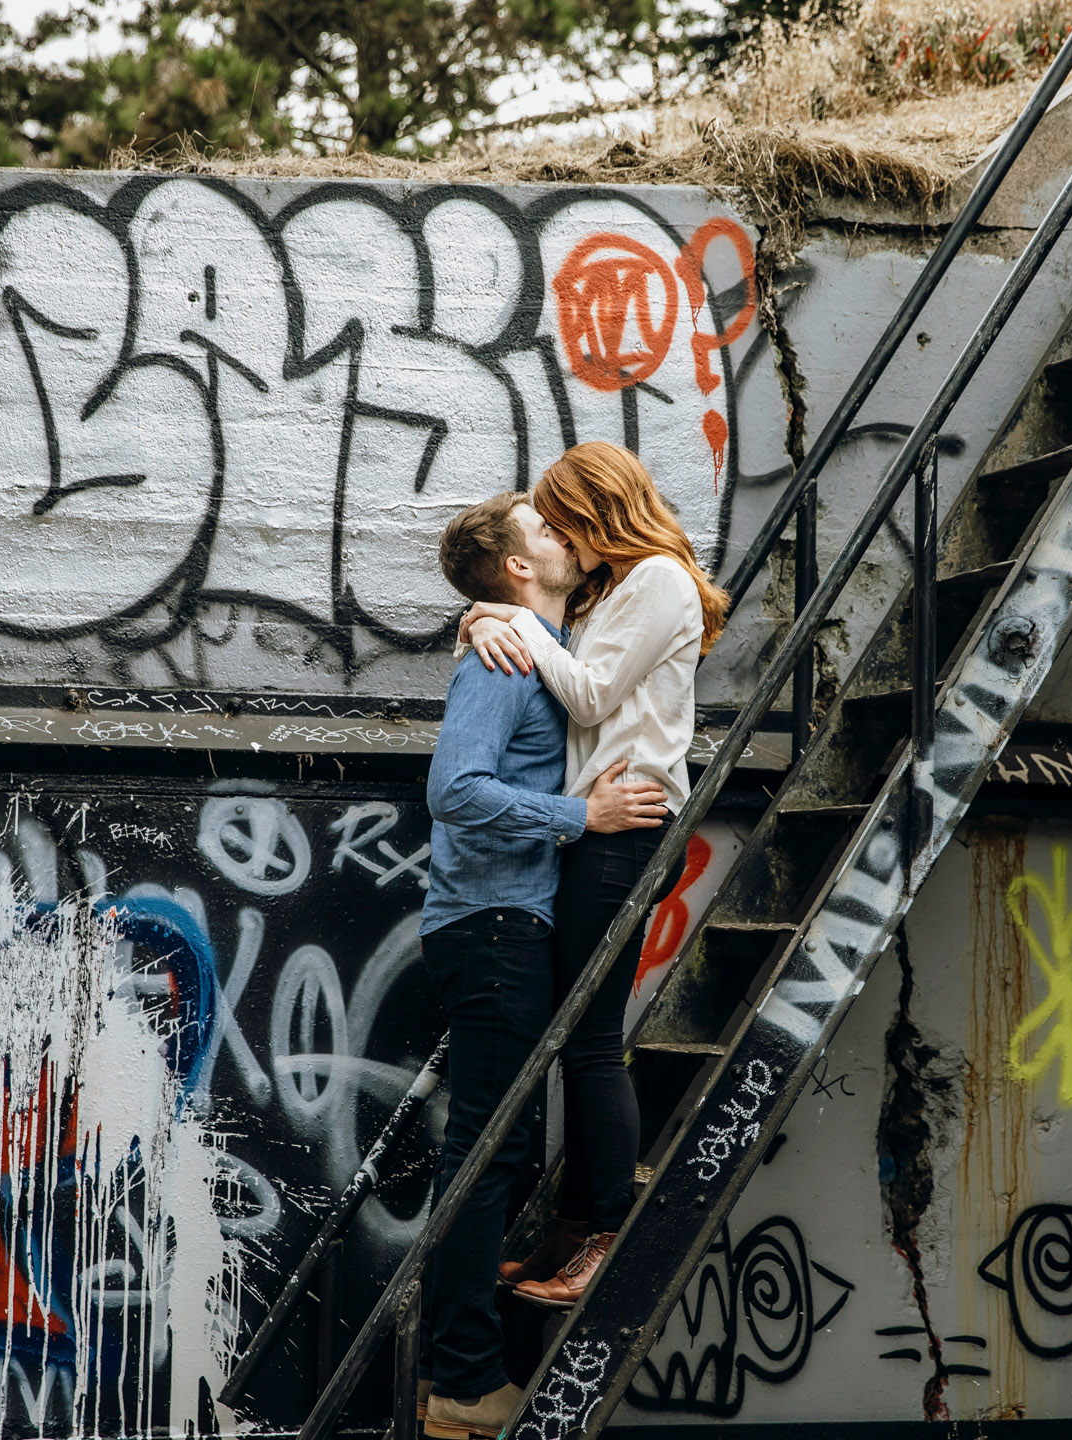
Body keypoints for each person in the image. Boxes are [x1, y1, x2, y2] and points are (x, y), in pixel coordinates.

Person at [457, 441, 730, 1310]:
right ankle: (575, 1227)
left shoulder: (657, 578)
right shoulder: (614, 585)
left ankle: (604, 1233)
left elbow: (585, 695)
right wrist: (483, 617)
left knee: (591, 1036)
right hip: (593, 827)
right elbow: (533, 613)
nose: (556, 536)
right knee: (577, 1036)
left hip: (624, 829)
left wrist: (516, 623)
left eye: (561, 517)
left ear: (596, 508)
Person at [418, 491, 668, 1440]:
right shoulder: (506, 656)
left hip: (505, 922)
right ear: (518, 567)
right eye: (545, 530)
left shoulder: (527, 641)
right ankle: (464, 1382)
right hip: (489, 927)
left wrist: (484, 613)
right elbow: (455, 789)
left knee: (502, 1150)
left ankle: (464, 1379)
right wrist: (582, 819)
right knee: (484, 1154)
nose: (566, 536)